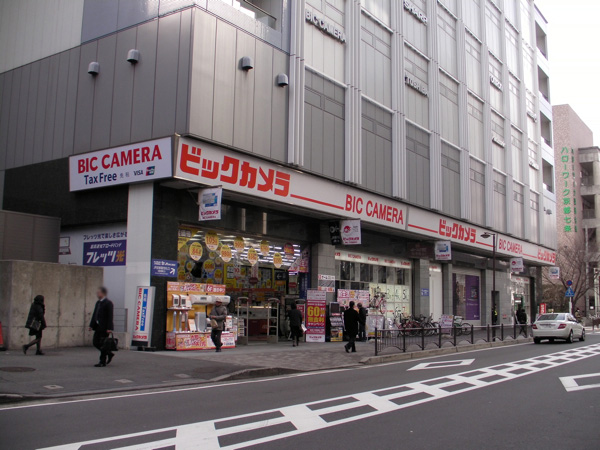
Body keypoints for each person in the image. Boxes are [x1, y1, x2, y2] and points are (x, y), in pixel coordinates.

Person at [89, 287, 114, 367]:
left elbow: (110, 316)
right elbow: (95, 314)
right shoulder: (98, 303)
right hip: (98, 326)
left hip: (105, 327)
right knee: (95, 342)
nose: (97, 294)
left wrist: (109, 328)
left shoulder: (108, 303)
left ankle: (102, 361)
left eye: (99, 293)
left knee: (103, 343)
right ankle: (109, 353)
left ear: (103, 293)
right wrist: (91, 325)